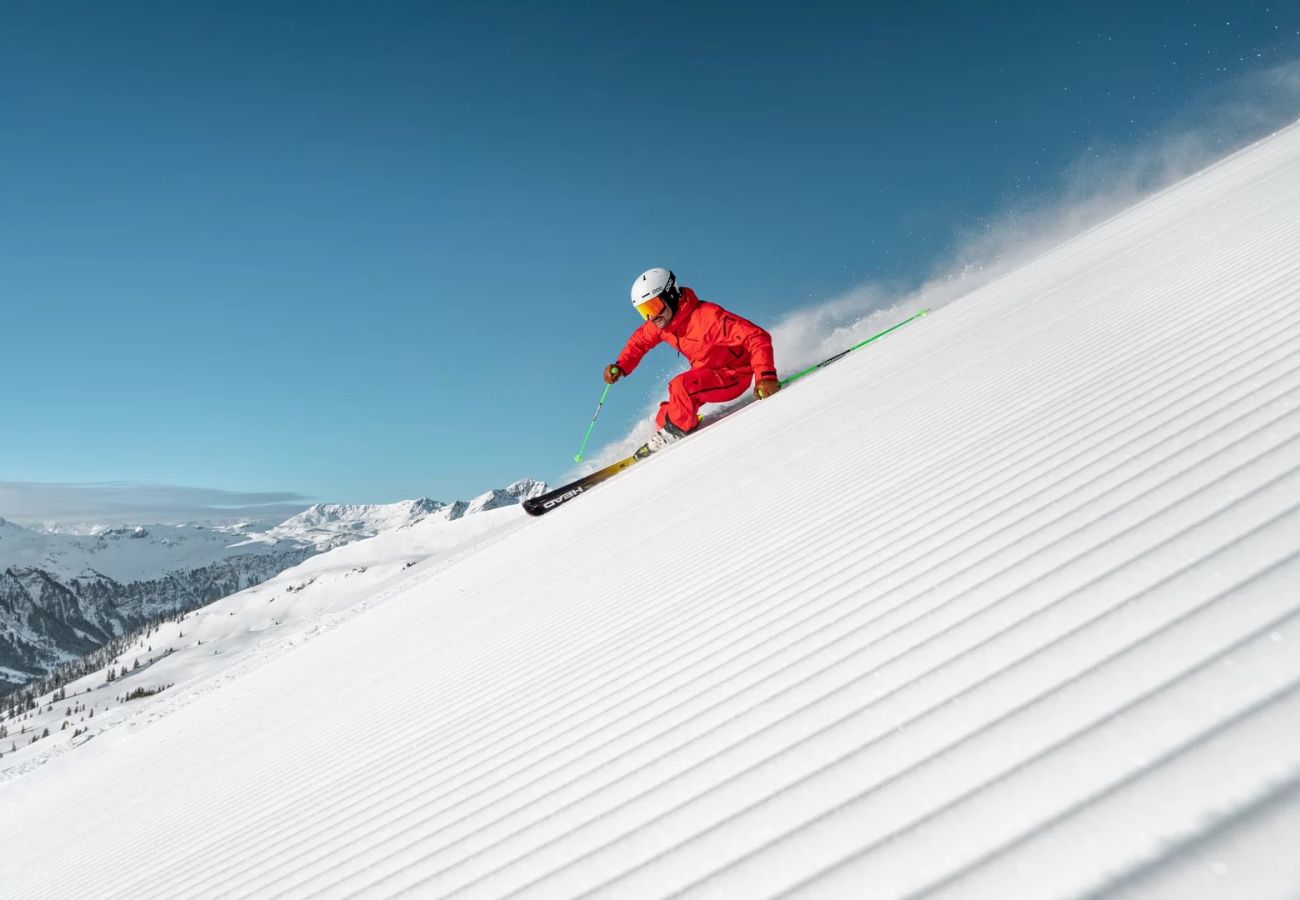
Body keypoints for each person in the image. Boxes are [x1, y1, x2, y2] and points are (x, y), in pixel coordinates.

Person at [604, 267, 780, 451]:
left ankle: (674, 433)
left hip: (733, 375)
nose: (652, 317)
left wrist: (765, 376)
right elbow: (639, 342)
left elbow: (756, 337)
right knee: (664, 415)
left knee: (681, 386)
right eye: (644, 311)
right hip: (705, 374)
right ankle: (676, 425)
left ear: (670, 295)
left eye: (653, 307)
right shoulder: (662, 324)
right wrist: (621, 365)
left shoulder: (707, 318)